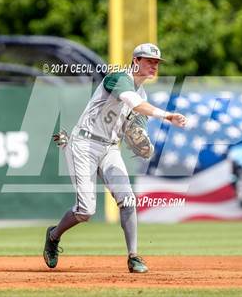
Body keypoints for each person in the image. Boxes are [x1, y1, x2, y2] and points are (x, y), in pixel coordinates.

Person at [43, 43, 186, 273]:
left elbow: (137, 124)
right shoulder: (118, 77)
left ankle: (134, 256)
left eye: (157, 62)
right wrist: (167, 115)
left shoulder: (143, 93)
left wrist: (142, 140)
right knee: (85, 211)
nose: (154, 65)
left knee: (128, 200)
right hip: (84, 144)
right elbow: (134, 103)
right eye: (149, 60)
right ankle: (53, 235)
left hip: (110, 148)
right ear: (136, 61)